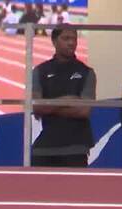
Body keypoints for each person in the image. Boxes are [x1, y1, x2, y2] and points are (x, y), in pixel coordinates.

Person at [31, 24, 96, 167]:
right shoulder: (40, 71)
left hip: (76, 147)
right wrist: (68, 100)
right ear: (54, 41)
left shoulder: (87, 72)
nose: (71, 42)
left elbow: (84, 111)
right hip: (46, 147)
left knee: (75, 190)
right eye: (66, 38)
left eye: (74, 39)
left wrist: (49, 104)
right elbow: (36, 107)